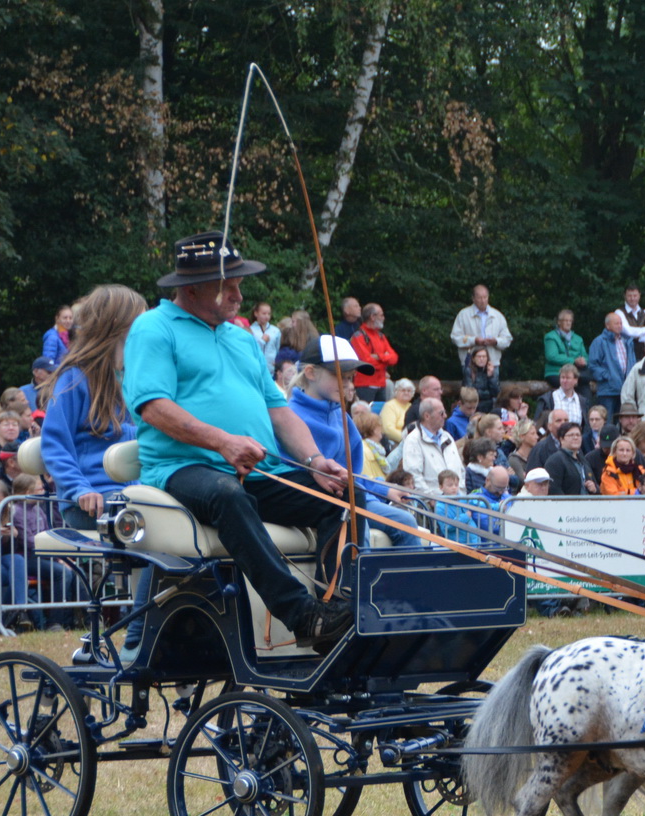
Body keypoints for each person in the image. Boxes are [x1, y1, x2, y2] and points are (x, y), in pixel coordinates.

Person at [122, 230, 353, 651]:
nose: (238, 295)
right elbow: (153, 406)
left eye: (239, 284)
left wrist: (316, 460)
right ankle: (302, 616)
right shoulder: (153, 328)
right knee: (228, 494)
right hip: (184, 470)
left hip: (261, 472)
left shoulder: (243, 339)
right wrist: (223, 443)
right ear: (191, 289)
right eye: (227, 286)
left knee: (343, 494)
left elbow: (280, 412)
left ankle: (339, 609)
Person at [286, 336, 424, 547]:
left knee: (405, 520)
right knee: (358, 525)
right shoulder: (289, 417)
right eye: (341, 376)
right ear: (311, 373)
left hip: (355, 496)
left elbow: (354, 474)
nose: (348, 385)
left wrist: (383, 489)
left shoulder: (343, 418)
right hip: (326, 501)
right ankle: (359, 579)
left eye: (351, 378)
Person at [40, 284, 148, 529]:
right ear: (118, 324)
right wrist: (79, 490)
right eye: (141, 320)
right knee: (154, 521)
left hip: (138, 494)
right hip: (91, 500)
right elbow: (55, 444)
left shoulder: (137, 378)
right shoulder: (74, 378)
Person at [451, 284, 512, 397]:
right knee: (469, 395)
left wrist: (496, 341)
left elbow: (507, 339)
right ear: (473, 298)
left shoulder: (497, 316)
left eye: (485, 297)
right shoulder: (463, 315)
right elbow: (455, 337)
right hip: (470, 364)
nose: (482, 300)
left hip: (492, 363)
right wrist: (473, 340)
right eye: (479, 297)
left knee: (493, 394)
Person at [586, 312, 633, 421]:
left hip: (626, 391)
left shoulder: (627, 341)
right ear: (607, 326)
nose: (620, 326)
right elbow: (593, 365)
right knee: (607, 422)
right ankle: (606, 439)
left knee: (622, 423)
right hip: (607, 390)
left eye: (621, 323)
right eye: (616, 323)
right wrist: (608, 376)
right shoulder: (599, 342)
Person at [349, 303, 399, 382]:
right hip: (365, 383)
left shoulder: (381, 336)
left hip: (381, 382)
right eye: (381, 315)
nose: (383, 318)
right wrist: (385, 360)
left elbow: (394, 358)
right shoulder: (358, 336)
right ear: (372, 317)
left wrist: (378, 357)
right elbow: (366, 362)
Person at [542, 308, 588, 393]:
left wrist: (583, 361)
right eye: (565, 320)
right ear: (559, 322)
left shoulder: (578, 338)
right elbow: (552, 356)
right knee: (571, 382)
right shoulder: (551, 337)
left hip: (576, 373)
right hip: (556, 372)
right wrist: (574, 361)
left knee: (585, 383)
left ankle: (585, 405)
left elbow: (585, 356)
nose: (568, 323)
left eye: (570, 320)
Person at [543, 420, 594, 496]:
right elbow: (553, 489)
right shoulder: (555, 461)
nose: (575, 437)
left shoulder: (583, 460)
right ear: (561, 439)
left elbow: (595, 484)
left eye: (578, 435)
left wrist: (594, 488)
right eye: (571, 435)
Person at [613, 284, 645, 356]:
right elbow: (628, 331)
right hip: (627, 354)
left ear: (639, 295)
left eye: (635, 296)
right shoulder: (619, 312)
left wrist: (639, 339)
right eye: (629, 296)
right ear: (624, 296)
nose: (632, 298)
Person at [380, 377, 417, 444]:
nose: (406, 393)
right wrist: (407, 439)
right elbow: (388, 430)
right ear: (396, 392)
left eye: (409, 391)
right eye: (403, 390)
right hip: (396, 442)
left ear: (413, 394)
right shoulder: (390, 406)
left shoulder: (412, 407)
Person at [41, 304, 74, 369]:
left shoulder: (70, 336)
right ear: (57, 319)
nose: (68, 321)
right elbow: (48, 363)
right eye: (65, 318)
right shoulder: (52, 337)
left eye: (70, 318)